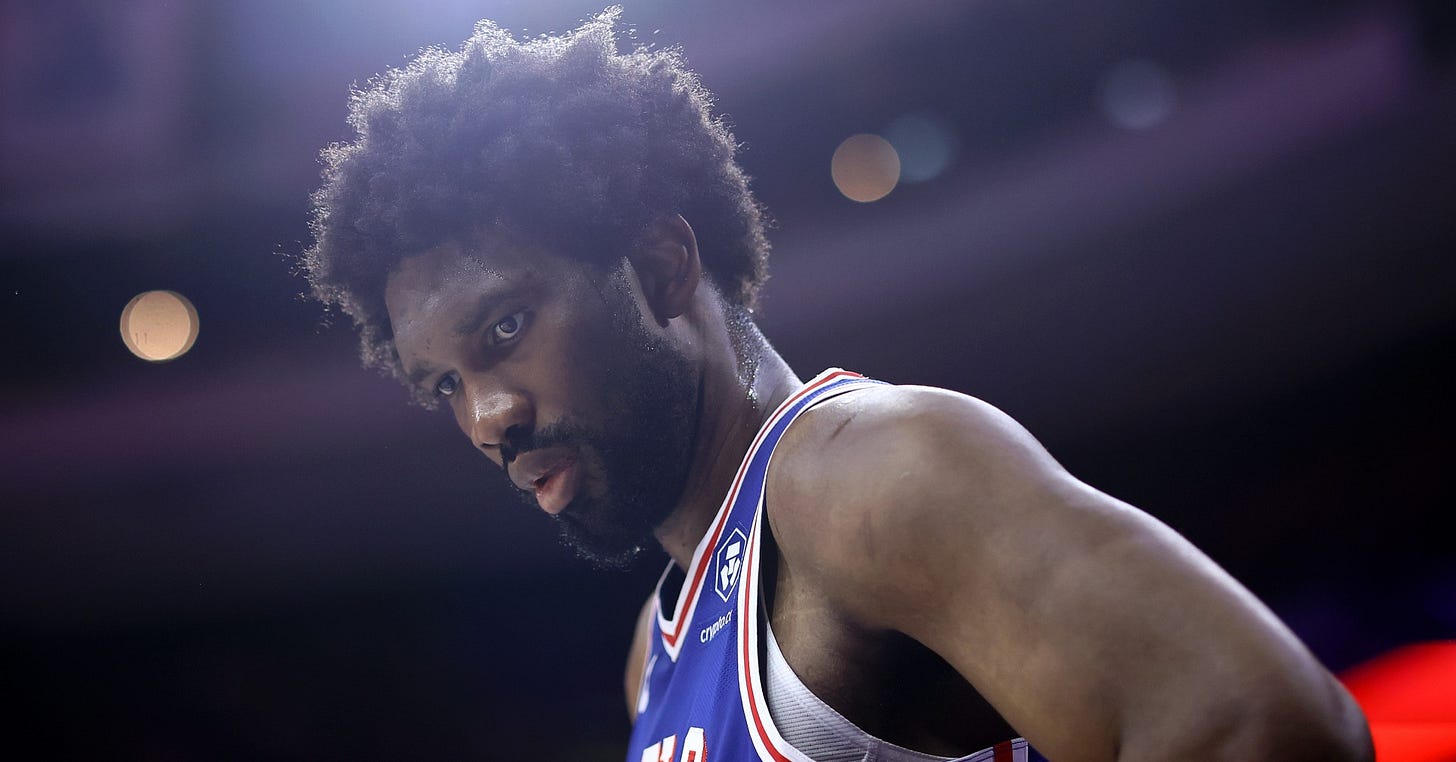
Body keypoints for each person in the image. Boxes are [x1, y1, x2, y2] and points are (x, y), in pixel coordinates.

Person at [302, 10, 1372, 762]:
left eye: (505, 329)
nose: (488, 416)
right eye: (444, 384)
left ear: (661, 267)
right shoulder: (653, 654)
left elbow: (1263, 727)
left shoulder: (869, 472)